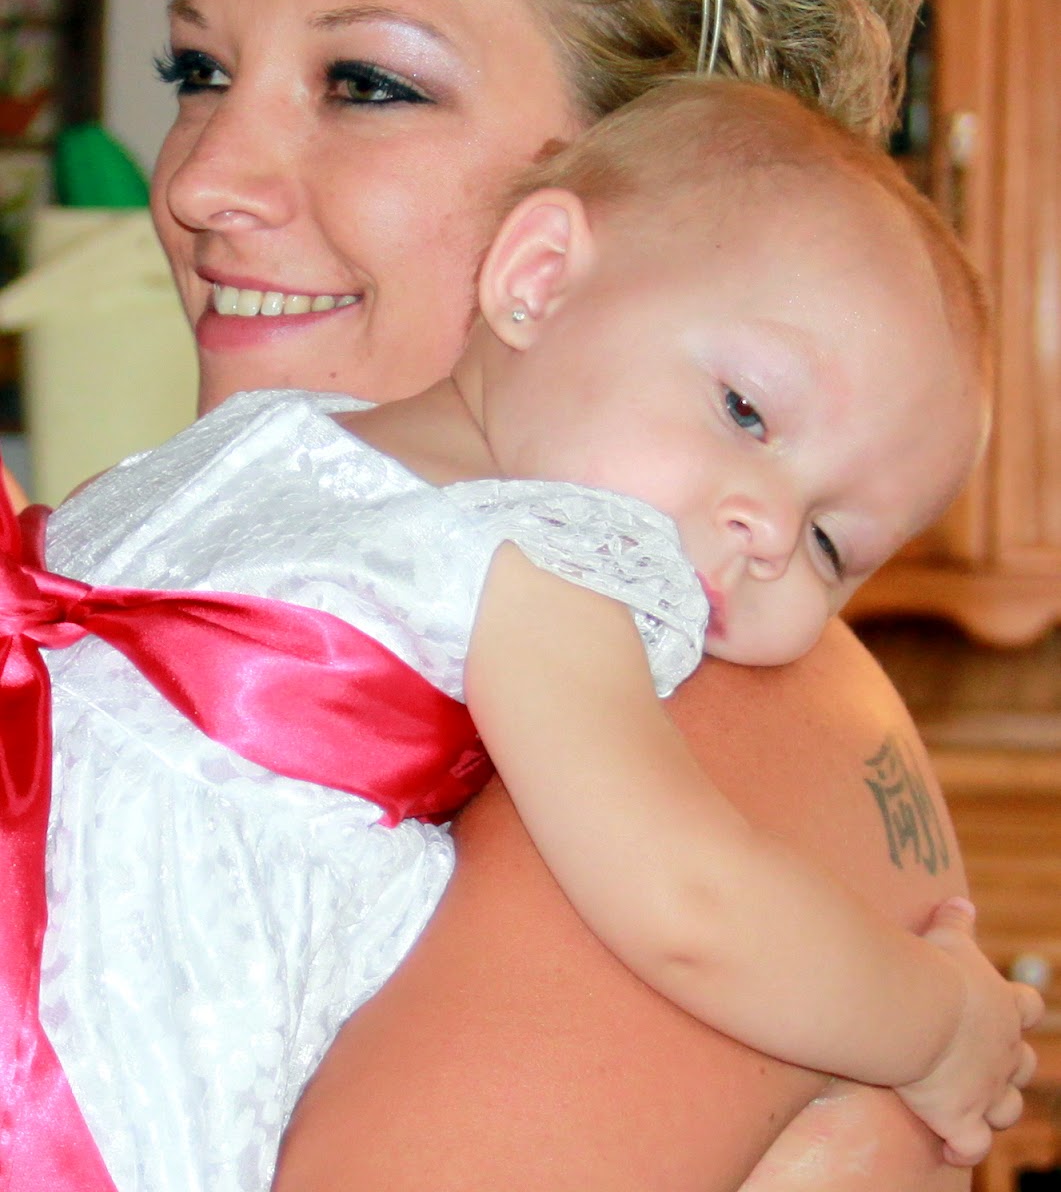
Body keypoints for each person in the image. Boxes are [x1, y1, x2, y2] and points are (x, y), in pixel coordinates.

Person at [96, 0, 1005, 1191]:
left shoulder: (674, 687)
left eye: (369, 84)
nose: (202, 182)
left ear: (631, 188)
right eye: (201, 73)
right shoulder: (271, 559)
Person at [16, 76, 1036, 1192]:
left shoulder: (257, 443)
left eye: (832, 545)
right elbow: (690, 903)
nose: (768, 529)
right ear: (537, 278)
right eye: (743, 411)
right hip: (82, 1070)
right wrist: (936, 1023)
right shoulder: (531, 565)